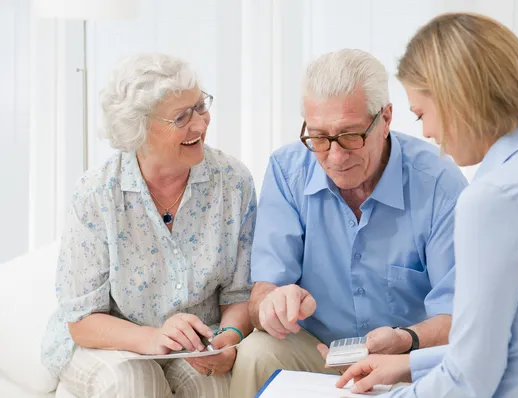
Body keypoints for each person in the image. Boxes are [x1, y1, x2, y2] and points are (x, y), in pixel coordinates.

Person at [336, 13, 518, 398]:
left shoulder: (493, 198)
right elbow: (516, 343)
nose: (427, 133)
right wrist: (408, 364)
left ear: (456, 98)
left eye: (422, 113)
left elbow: (469, 380)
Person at [230, 49, 468, 398]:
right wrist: (275, 305)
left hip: (407, 359)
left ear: (385, 119)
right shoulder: (287, 170)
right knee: (255, 353)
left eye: (350, 136)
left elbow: (459, 318)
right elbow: (261, 295)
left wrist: (406, 339)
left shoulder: (439, 183)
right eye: (320, 138)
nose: (335, 157)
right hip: (317, 353)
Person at [41, 53, 256, 398]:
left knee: (214, 386)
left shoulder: (232, 182)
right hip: (109, 340)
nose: (200, 125)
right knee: (137, 385)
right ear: (137, 129)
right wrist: (152, 339)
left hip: (196, 342)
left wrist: (229, 339)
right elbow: (83, 320)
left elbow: (239, 294)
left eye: (200, 107)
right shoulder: (97, 193)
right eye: (182, 117)